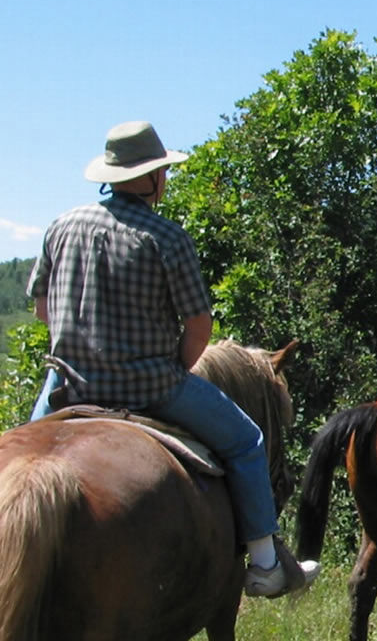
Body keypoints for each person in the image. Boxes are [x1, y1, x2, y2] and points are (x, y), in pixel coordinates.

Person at [26, 120, 319, 598]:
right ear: (151, 177)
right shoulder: (166, 236)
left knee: (14, 453)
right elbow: (199, 325)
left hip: (68, 385)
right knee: (246, 440)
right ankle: (265, 562)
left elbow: (42, 309)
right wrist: (175, 371)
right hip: (149, 385)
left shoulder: (62, 225)